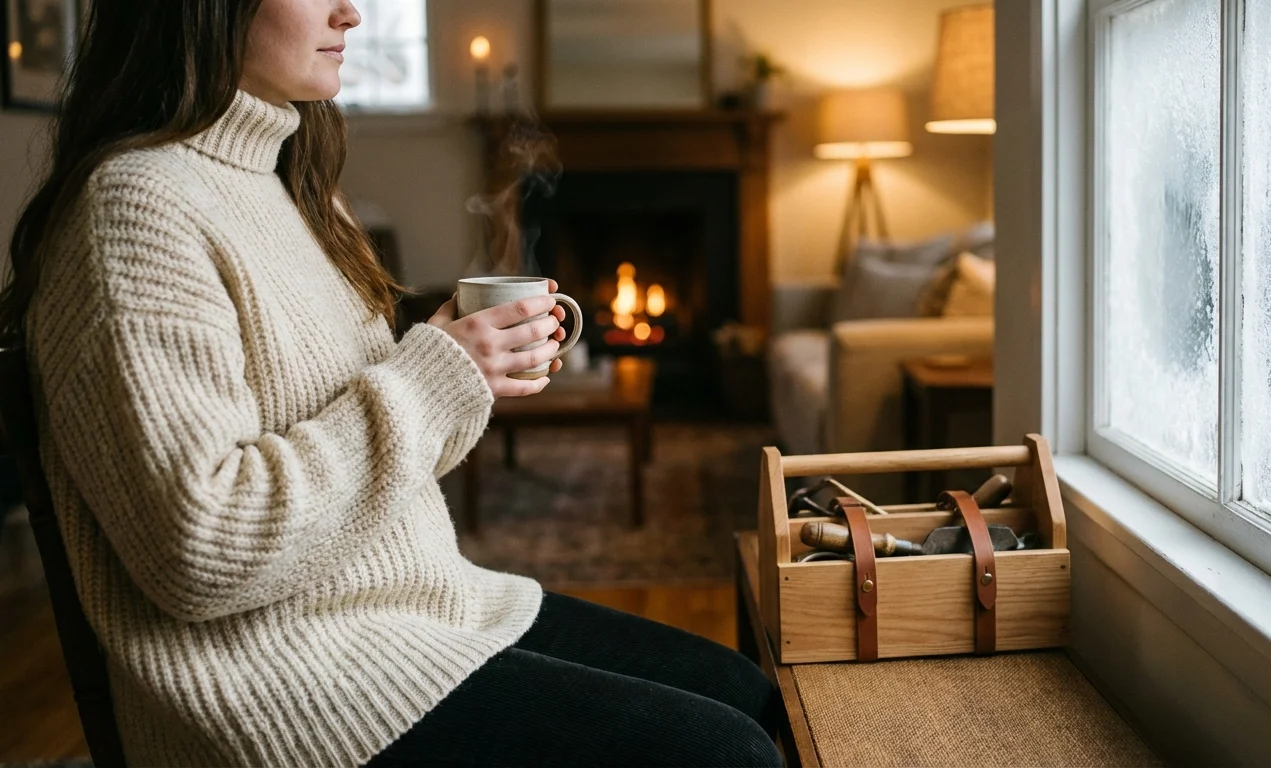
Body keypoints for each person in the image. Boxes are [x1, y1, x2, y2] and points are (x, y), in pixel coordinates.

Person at [0, 1, 783, 765]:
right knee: (728, 751)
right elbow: (201, 549)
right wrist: (438, 375)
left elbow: (369, 448)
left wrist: (460, 371)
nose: (352, 14)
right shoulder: (133, 209)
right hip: (283, 678)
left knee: (745, 690)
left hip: (423, 608)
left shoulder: (295, 188)